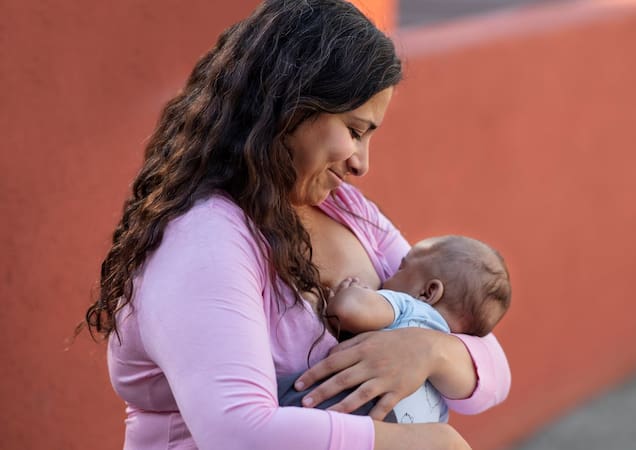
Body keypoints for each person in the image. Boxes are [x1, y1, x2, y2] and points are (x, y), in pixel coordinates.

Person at [84, 1, 510, 449]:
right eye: (355, 130)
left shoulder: (347, 210)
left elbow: (486, 356)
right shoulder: (202, 241)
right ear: (291, 109)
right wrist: (427, 444)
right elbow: (239, 431)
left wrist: (427, 351)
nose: (361, 164)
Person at [323, 235, 512, 424]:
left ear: (427, 292)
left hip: (363, 408)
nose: (388, 276)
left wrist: (354, 291)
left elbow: (346, 311)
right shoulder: (446, 376)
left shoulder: (410, 307)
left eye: (401, 268)